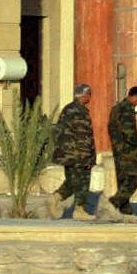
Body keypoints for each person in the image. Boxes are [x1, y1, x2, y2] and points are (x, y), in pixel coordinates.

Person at [51, 83, 98, 219]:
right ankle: (79, 210)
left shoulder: (68, 109)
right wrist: (88, 158)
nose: (90, 97)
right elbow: (83, 136)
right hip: (78, 155)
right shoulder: (79, 111)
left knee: (72, 181)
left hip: (68, 154)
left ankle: (55, 198)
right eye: (89, 94)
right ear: (84, 95)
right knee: (83, 181)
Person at [104, 85, 137, 218]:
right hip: (128, 150)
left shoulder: (116, 108)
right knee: (133, 178)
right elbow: (129, 132)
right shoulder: (127, 109)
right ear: (134, 96)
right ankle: (114, 202)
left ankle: (126, 210)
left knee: (123, 179)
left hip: (118, 149)